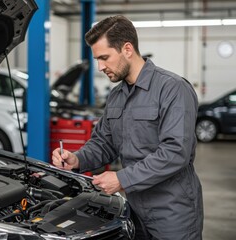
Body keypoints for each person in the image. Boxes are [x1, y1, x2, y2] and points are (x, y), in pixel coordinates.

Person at [52, 15, 203, 240]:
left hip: (173, 212)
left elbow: (175, 152)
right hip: (134, 211)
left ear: (127, 49)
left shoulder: (172, 89)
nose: (101, 67)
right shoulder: (116, 96)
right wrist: (78, 159)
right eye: (97, 60)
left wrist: (122, 179)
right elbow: (104, 142)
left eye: (104, 57)